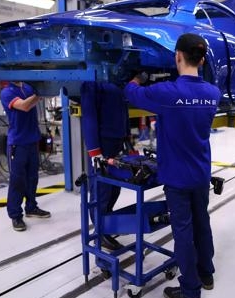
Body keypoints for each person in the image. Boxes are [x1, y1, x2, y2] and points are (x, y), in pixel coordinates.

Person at [124, 33, 220, 298]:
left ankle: (190, 290)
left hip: (177, 178)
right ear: (201, 60)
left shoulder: (166, 93)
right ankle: (206, 273)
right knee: (202, 224)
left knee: (183, 233)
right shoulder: (213, 93)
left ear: (177, 56)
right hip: (201, 174)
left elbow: (132, 93)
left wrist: (136, 78)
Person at [78, 81, 130, 251]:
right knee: (101, 191)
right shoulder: (91, 82)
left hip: (116, 143)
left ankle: (106, 224)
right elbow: (89, 117)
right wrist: (94, 152)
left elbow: (124, 112)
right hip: (103, 145)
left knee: (115, 189)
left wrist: (127, 141)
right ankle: (100, 234)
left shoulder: (116, 79)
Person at [0, 82, 51, 232]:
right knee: (18, 181)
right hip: (17, 143)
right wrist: (40, 93)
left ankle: (31, 207)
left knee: (32, 178)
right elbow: (24, 106)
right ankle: (15, 215)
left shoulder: (28, 87)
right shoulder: (6, 92)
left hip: (32, 141)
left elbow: (42, 96)